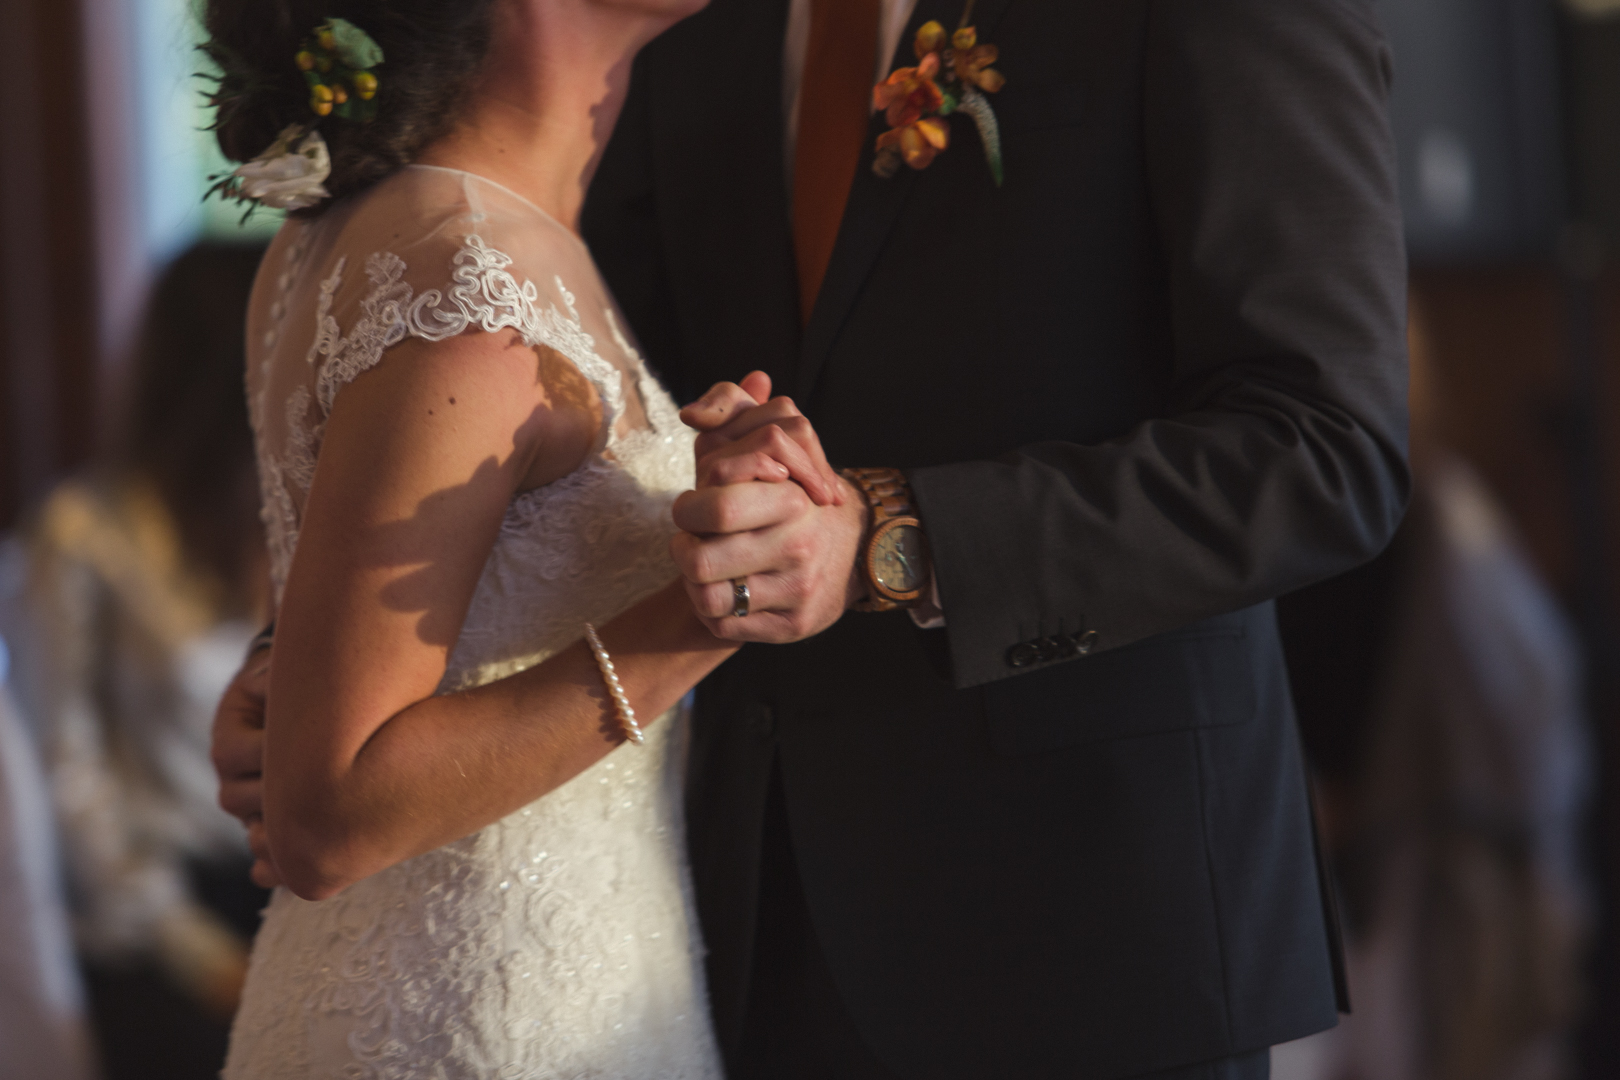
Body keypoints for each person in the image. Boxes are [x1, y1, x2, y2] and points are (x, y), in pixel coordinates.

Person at [215, 1, 1410, 1079]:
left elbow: (1324, 445)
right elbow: (551, 389)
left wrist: (898, 537)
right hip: (730, 916)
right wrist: (316, 660)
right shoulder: (672, 29)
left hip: (1092, 916)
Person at [199, 0, 846, 1075]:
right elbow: (328, 819)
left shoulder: (397, 232)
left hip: (517, 975)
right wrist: (719, 599)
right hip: (471, 1017)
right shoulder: (466, 285)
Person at [15, 243, 271, 1079]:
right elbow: (69, 773)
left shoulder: (293, 518)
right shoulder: (83, 533)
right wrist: (195, 954)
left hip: (290, 877)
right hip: (154, 917)